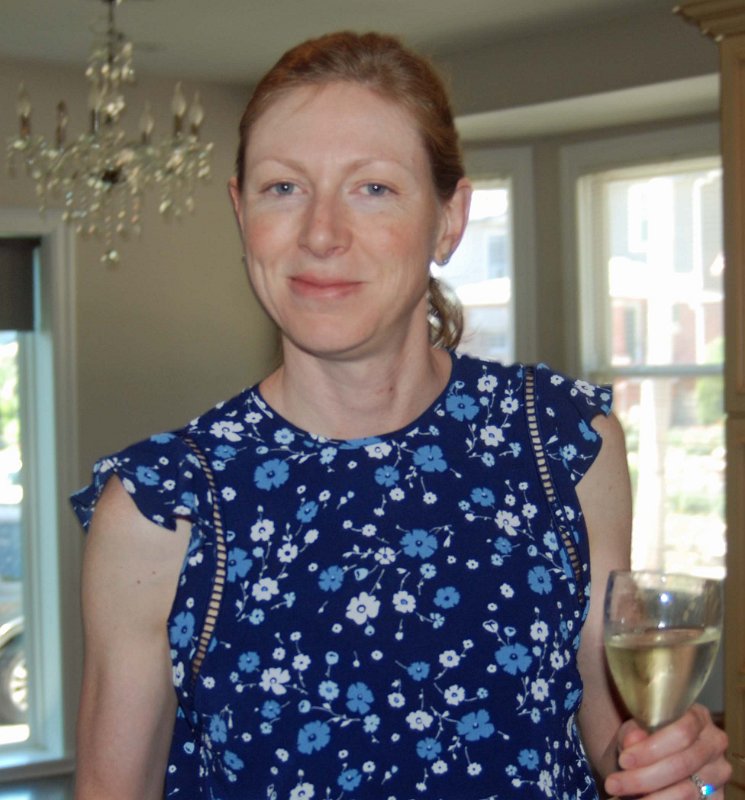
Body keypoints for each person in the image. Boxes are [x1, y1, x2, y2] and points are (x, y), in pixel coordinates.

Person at [71, 31, 730, 800]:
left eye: (373, 188)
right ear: (239, 209)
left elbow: (608, 734)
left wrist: (658, 764)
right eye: (282, 187)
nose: (320, 234)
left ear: (449, 219)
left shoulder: (560, 442)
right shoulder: (164, 504)